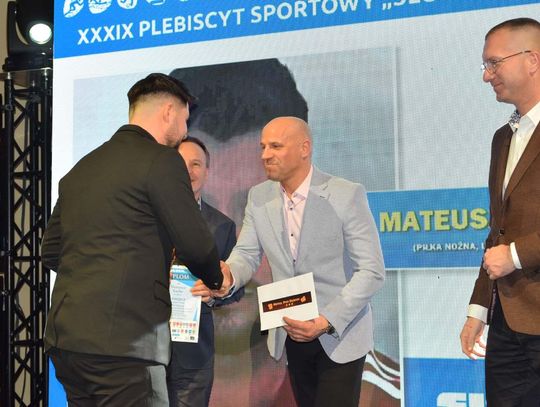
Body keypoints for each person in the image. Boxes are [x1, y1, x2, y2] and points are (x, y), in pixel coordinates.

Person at [42, 73, 228, 406]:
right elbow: (195, 245)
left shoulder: (83, 168)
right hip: (126, 345)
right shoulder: (162, 160)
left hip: (68, 343)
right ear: (168, 111)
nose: (184, 131)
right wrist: (216, 280)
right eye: (185, 119)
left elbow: (51, 251)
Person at [220, 116, 386, 407]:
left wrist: (326, 321)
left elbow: (371, 270)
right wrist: (228, 276)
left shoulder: (345, 194)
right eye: (263, 147)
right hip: (291, 330)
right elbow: (246, 253)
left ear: (304, 148)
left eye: (275, 146)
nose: (265, 155)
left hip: (340, 334)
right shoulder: (259, 197)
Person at [459, 18, 540, 405]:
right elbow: (498, 231)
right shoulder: (503, 138)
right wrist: (478, 309)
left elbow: (508, 250)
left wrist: (516, 255)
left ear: (532, 60)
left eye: (494, 63)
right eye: (485, 65)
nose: (486, 75)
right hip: (507, 321)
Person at [167, 136, 243, 407]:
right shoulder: (145, 219)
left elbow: (236, 288)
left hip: (194, 354)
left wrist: (214, 293)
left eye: (196, 164)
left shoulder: (222, 226)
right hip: (147, 350)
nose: (189, 171)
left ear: (207, 172)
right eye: (181, 164)